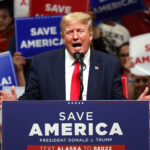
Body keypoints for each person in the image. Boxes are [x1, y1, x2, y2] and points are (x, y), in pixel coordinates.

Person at [0, 12, 150, 107]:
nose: (75, 36)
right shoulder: (42, 63)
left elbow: (117, 101)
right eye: (70, 32)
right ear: (63, 38)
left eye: (80, 31)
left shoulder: (109, 64)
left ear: (90, 36)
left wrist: (137, 107)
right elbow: (31, 98)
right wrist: (15, 104)